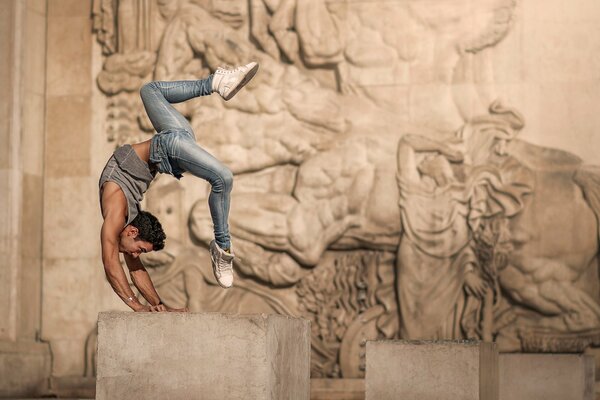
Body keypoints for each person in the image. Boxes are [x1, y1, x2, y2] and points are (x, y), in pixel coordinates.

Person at [99, 62, 259, 312]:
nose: (135, 255)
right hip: (171, 143)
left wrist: (144, 306)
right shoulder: (127, 226)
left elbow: (110, 264)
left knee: (223, 178)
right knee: (149, 91)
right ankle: (215, 83)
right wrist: (150, 306)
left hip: (172, 143)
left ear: (132, 233)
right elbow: (135, 268)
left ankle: (221, 248)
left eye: (139, 249)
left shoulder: (116, 213)